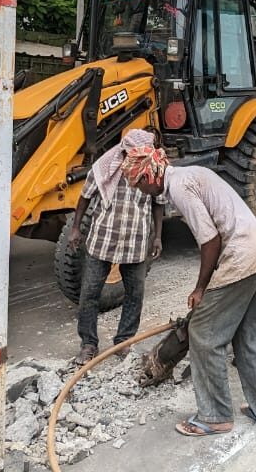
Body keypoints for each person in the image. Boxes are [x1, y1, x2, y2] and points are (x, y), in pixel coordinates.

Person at [123, 146, 256, 437]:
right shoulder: (191, 174)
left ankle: (215, 416)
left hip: (242, 257)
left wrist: (201, 288)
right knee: (249, 338)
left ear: (150, 174)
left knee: (204, 334)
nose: (141, 190)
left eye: (139, 184)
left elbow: (210, 241)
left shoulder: (180, 186)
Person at [68, 129, 164, 364]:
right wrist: (75, 227)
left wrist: (158, 236)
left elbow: (159, 202)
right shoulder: (106, 165)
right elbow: (84, 196)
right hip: (103, 239)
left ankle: (123, 341)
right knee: (89, 294)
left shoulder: (152, 168)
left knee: (135, 294)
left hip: (135, 241)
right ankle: (88, 344)